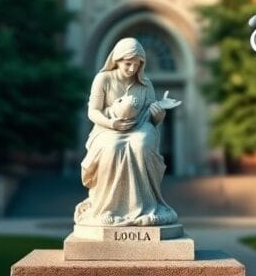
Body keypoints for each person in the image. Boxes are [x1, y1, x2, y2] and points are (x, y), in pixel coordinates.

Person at [74, 37, 178, 227]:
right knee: (112, 148)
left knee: (142, 144)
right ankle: (108, 207)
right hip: (108, 127)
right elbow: (93, 111)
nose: (132, 69)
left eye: (136, 65)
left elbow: (153, 118)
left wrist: (159, 115)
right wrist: (112, 124)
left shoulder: (146, 85)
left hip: (139, 126)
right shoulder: (103, 79)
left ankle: (146, 204)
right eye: (128, 64)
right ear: (117, 60)